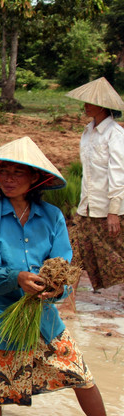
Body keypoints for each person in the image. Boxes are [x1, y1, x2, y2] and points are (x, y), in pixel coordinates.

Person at [0, 137, 113, 416]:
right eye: (3, 172)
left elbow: (63, 264)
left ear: (35, 178)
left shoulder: (51, 217)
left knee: (80, 375)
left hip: (43, 318)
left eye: (17, 173)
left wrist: (55, 291)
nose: (8, 179)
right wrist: (17, 277)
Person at [65, 77, 124, 293]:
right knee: (74, 254)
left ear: (103, 106)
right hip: (86, 207)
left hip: (108, 209)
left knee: (118, 255)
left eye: (90, 101)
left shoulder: (116, 135)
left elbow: (118, 174)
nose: (85, 105)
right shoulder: (88, 132)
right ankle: (68, 305)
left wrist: (114, 212)